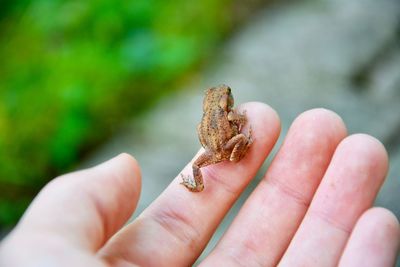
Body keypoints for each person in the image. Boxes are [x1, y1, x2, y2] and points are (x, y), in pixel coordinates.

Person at [0, 104, 398, 267]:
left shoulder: (210, 116)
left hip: (208, 151)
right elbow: (237, 125)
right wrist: (240, 131)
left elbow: (206, 130)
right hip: (222, 145)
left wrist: (217, 144)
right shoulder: (227, 114)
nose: (225, 100)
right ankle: (205, 174)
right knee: (245, 138)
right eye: (223, 99)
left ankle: (192, 182)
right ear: (220, 104)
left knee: (205, 166)